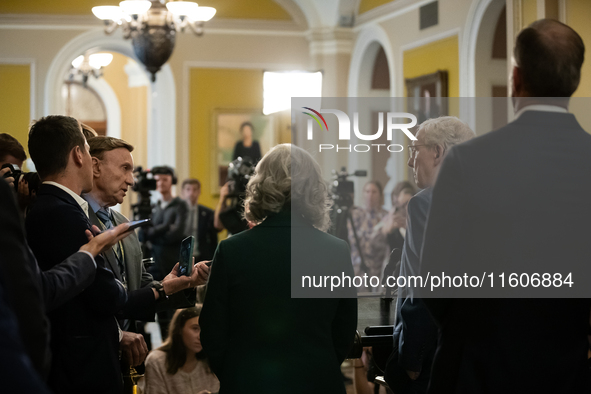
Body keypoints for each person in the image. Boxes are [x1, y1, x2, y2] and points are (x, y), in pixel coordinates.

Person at [419, 20, 591, 393]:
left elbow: (433, 283)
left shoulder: (467, 161)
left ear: (516, 79)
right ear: (574, 81)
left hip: (476, 370)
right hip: (568, 371)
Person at [200, 144, 358, 394]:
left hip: (247, 382)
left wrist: (236, 373)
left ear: (259, 185)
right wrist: (318, 366)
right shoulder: (337, 251)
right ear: (314, 190)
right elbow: (345, 331)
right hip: (317, 381)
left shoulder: (231, 251)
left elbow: (212, 331)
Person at [84, 136, 209, 368]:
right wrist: (117, 334)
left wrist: (178, 283)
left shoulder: (123, 222)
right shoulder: (77, 218)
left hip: (127, 359)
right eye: (124, 169)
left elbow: (141, 287)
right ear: (96, 166)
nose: (131, 181)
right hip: (88, 358)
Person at [0, 175, 133, 379]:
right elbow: (43, 289)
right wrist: (91, 251)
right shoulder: (63, 211)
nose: (130, 179)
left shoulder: (54, 207)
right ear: (79, 155)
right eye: (124, 169)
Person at [384, 116, 475, 394]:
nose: (411, 162)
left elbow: (424, 285)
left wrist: (412, 356)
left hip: (430, 357)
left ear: (437, 151)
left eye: (414, 149)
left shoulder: (425, 204)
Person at [141, 165, 189, 337]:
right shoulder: (154, 206)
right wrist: (165, 227)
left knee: (176, 312)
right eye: (158, 180)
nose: (161, 183)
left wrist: (154, 233)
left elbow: (177, 233)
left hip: (173, 263)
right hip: (155, 265)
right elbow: (145, 234)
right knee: (160, 309)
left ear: (172, 181)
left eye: (165, 179)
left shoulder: (180, 205)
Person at [143, 306, 219, 394]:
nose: (201, 336)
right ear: (179, 329)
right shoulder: (157, 361)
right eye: (195, 328)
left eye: (205, 329)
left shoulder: (210, 362)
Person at [347, 180, 388, 286]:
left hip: (379, 270)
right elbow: (355, 242)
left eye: (374, 192)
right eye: (367, 191)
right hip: (358, 269)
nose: (370, 195)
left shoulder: (386, 216)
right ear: (363, 194)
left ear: (380, 195)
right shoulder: (355, 214)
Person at [181, 178, 219, 261]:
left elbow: (213, 237)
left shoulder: (208, 212)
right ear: (183, 192)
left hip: (202, 256)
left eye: (194, 189)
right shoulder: (177, 212)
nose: (191, 193)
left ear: (199, 191)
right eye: (188, 189)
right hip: (182, 257)